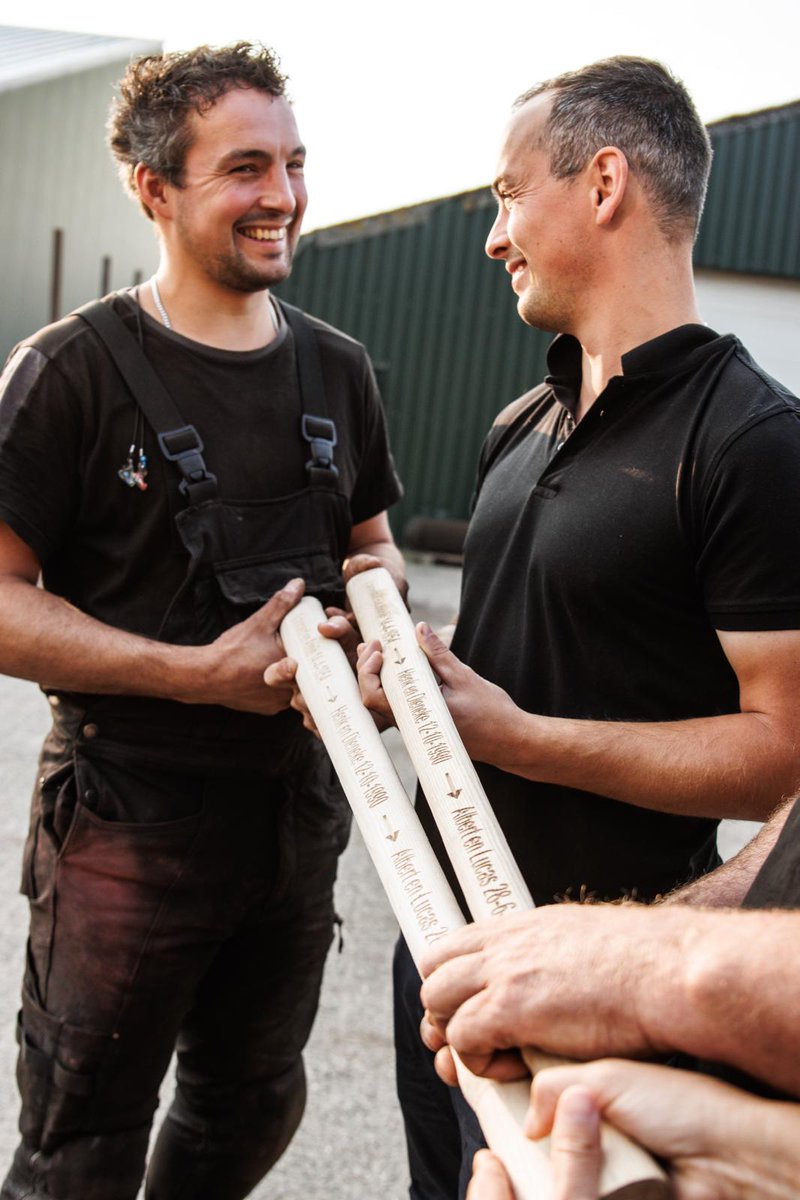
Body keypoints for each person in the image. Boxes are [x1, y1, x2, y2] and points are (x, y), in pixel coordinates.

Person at [355, 56, 800, 1199]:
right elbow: (511, 662)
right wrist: (411, 684)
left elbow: (784, 757)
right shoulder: (519, 422)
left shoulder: (754, 445)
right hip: (444, 946)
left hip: (609, 972)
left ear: (602, 184)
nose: (492, 235)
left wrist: (517, 737)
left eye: (508, 195)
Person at [0, 42, 403, 1200]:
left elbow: (372, 547)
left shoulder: (337, 370)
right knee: (80, 1145)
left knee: (250, 1107)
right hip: (127, 823)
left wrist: (376, 637)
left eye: (292, 163)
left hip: (297, 815)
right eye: (244, 168)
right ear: (154, 189)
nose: (282, 195)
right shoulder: (67, 373)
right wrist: (186, 673)